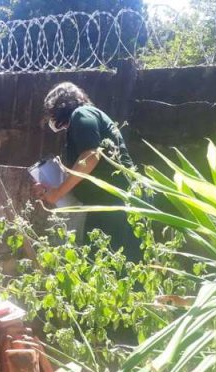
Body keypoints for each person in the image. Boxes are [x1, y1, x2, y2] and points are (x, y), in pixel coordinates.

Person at [34, 81, 140, 260]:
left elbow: (91, 156)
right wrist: (49, 188)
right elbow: (82, 169)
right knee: (103, 263)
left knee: (109, 265)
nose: (50, 119)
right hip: (107, 205)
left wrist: (58, 192)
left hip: (116, 204)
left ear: (59, 107)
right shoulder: (81, 120)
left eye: (50, 113)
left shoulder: (81, 114)